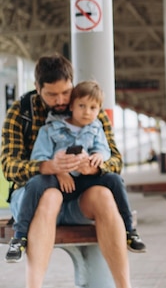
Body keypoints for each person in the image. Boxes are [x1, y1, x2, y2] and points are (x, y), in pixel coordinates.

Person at [0, 54, 133, 288]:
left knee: (103, 195)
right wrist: (46, 166)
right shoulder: (20, 112)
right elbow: (8, 167)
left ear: (72, 83)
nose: (61, 100)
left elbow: (116, 161)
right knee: (51, 195)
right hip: (34, 197)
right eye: (52, 94)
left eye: (65, 92)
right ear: (37, 88)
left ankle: (124, 286)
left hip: (78, 197)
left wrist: (94, 167)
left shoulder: (88, 107)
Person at [6, 80, 146, 264]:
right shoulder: (50, 128)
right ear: (72, 106)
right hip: (56, 180)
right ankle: (19, 237)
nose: (87, 111)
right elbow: (39, 157)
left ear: (98, 110)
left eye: (93, 108)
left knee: (114, 180)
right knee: (35, 183)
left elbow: (106, 151)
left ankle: (130, 231)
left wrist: (98, 160)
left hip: (83, 181)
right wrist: (59, 171)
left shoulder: (96, 127)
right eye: (82, 106)